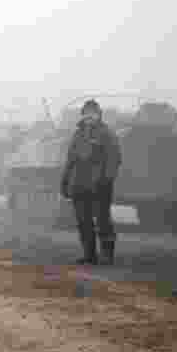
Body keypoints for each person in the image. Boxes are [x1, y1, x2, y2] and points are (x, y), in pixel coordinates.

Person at [60, 99, 122, 265]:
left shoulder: (106, 133)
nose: (89, 116)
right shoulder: (78, 134)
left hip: (100, 184)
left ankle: (107, 255)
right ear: (83, 115)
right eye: (86, 113)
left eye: (93, 113)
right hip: (79, 184)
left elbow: (114, 158)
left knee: (102, 220)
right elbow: (70, 159)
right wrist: (65, 180)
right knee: (83, 221)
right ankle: (89, 254)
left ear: (99, 115)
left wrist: (107, 179)